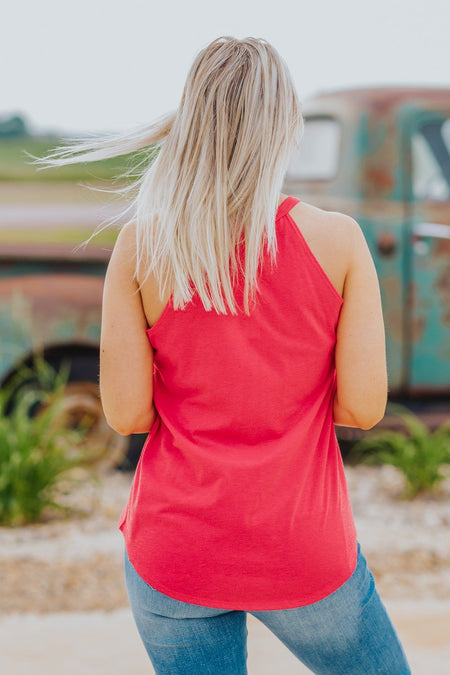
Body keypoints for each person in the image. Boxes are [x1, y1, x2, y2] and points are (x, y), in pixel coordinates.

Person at [33, 35, 411, 675]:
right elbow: (364, 407)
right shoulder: (340, 242)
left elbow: (126, 415)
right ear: (286, 125)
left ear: (190, 122)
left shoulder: (139, 247)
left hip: (175, 548)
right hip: (301, 546)